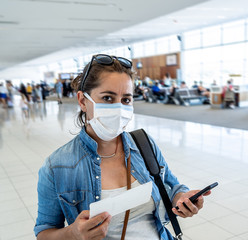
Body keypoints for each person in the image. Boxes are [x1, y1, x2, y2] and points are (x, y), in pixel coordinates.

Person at [34, 54, 211, 240]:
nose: (118, 108)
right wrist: (73, 233)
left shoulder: (143, 143)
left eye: (126, 99)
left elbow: (172, 186)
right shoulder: (57, 166)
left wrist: (182, 199)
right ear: (82, 101)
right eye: (108, 98)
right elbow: (44, 232)